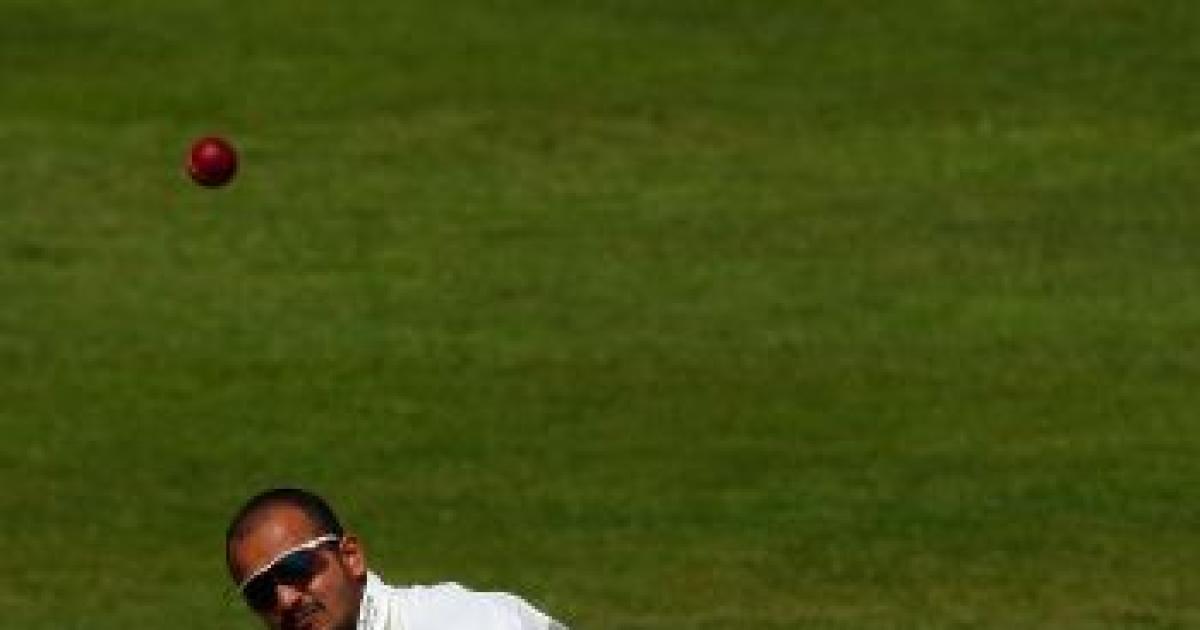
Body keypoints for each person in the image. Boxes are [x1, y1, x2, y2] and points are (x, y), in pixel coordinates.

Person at [225, 487, 566, 630]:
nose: (286, 599)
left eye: (295, 568)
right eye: (260, 592)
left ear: (351, 557)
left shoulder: (467, 622)